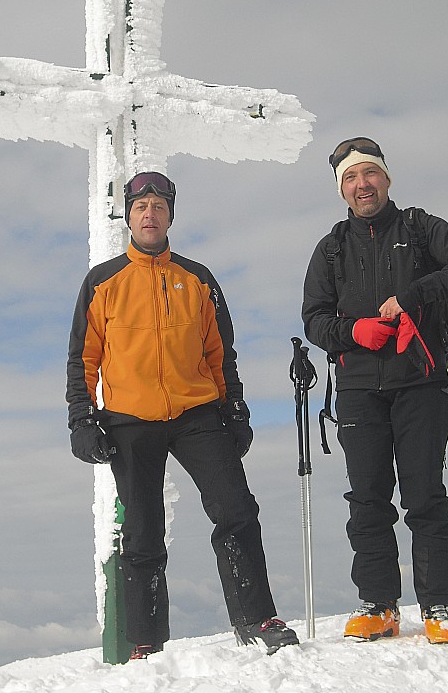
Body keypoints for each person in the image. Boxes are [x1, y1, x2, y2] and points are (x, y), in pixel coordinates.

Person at [66, 171, 299, 659]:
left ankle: (257, 619)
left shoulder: (197, 278)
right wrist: (82, 419)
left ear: (171, 214)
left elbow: (220, 353)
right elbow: (83, 358)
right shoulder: (103, 282)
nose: (150, 214)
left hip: (197, 412)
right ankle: (145, 642)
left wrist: (234, 407)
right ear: (129, 216)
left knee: (236, 510)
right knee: (143, 532)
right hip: (130, 418)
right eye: (140, 207)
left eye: (159, 206)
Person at [302, 138, 448, 645]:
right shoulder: (332, 247)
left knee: (424, 494)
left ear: (386, 179)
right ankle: (379, 605)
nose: (362, 185)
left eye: (369, 174)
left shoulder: (419, 227)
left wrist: (414, 295)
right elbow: (314, 319)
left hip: (422, 382)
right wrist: (353, 333)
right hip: (359, 390)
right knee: (367, 498)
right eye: (350, 178)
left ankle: (437, 606)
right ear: (341, 190)